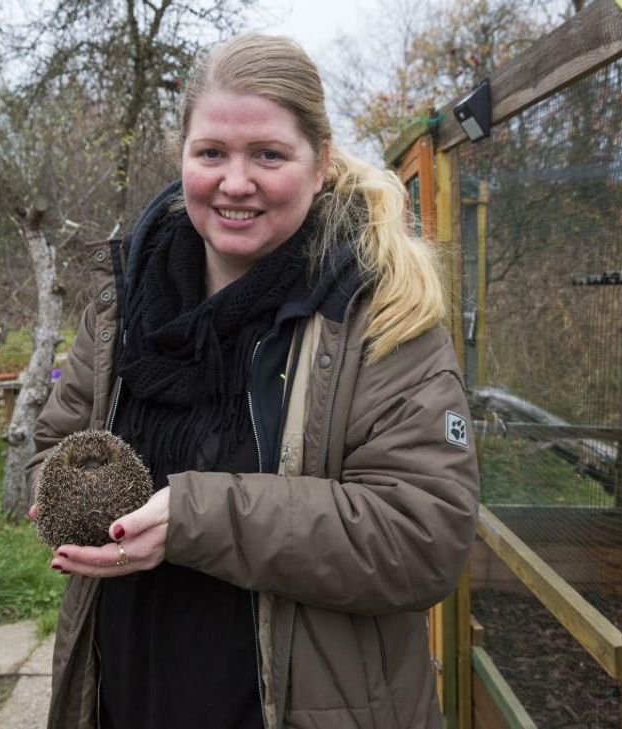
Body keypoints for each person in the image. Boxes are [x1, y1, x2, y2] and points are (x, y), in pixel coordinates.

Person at [26, 33, 479, 729]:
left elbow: (422, 536)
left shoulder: (381, 314)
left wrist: (194, 518)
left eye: (268, 154)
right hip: (124, 697)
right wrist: (63, 497)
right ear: (183, 159)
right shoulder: (124, 303)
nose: (235, 182)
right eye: (211, 153)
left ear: (320, 163)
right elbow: (53, 446)